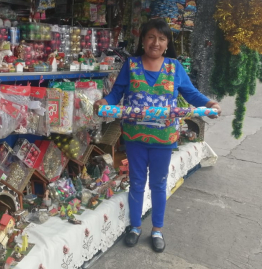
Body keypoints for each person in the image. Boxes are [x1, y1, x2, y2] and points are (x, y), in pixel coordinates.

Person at [94, 19, 221, 253]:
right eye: (151, 37)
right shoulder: (131, 65)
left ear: (167, 43)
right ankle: (134, 227)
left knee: (159, 184)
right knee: (137, 183)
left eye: (162, 38)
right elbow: (116, 95)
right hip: (135, 137)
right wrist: (104, 102)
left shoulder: (174, 67)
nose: (156, 42)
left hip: (164, 138)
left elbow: (190, 93)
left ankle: (157, 229)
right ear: (143, 40)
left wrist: (209, 103)